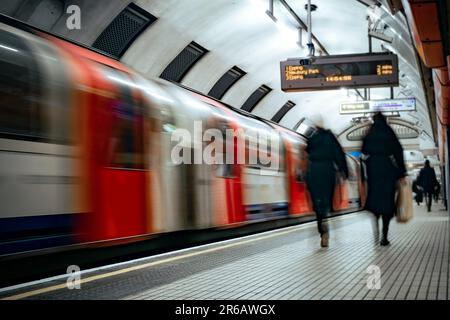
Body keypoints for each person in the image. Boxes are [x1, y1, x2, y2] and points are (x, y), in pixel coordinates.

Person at [362, 112, 407, 246]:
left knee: (375, 199)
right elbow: (398, 150)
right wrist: (401, 173)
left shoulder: (370, 132)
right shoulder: (388, 131)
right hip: (387, 169)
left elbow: (363, 150)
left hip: (373, 169)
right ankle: (384, 236)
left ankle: (375, 226)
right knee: (387, 201)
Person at [306, 114, 349, 248]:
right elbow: (339, 155)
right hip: (328, 171)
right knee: (326, 199)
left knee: (317, 201)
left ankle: (321, 227)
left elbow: (306, 155)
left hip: (313, 172)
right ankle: (326, 217)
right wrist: (344, 172)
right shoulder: (330, 138)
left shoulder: (312, 139)